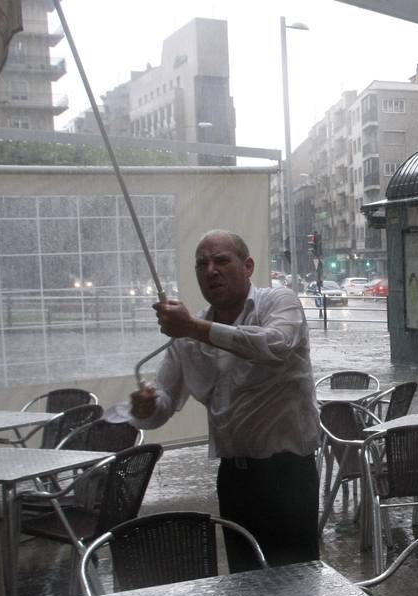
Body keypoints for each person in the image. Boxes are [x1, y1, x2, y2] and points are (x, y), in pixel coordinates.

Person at [129, 230, 321, 570]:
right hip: (235, 478)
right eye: (201, 264)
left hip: (288, 474)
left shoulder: (279, 302)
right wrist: (145, 407)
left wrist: (195, 328)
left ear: (247, 266)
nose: (211, 270)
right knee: (243, 581)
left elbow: (275, 345)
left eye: (221, 260)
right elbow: (163, 404)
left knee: (297, 583)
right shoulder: (186, 336)